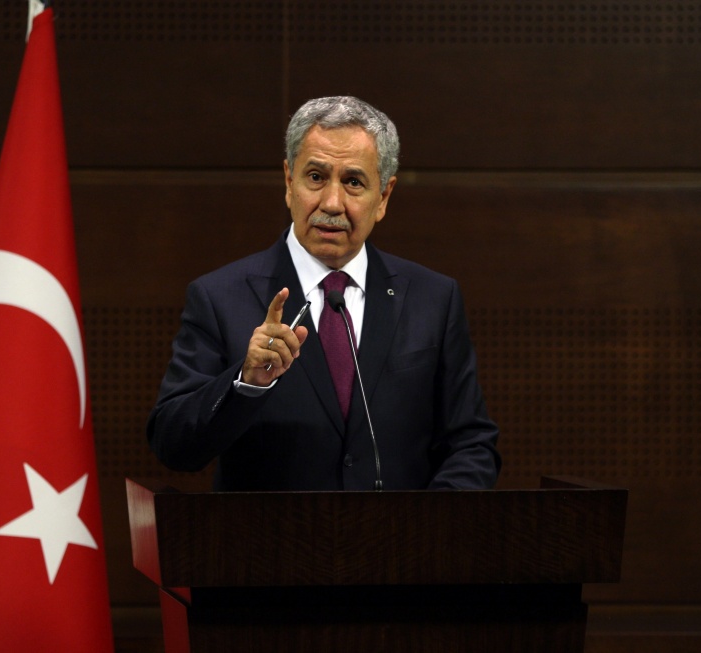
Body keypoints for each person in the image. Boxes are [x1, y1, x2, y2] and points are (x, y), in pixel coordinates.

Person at [147, 96, 500, 491]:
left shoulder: (433, 299)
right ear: (289, 182)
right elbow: (173, 445)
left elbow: (472, 444)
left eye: (353, 182)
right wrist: (245, 382)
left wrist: (424, 523)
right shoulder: (219, 298)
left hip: (401, 532)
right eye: (315, 177)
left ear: (383, 197)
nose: (332, 203)